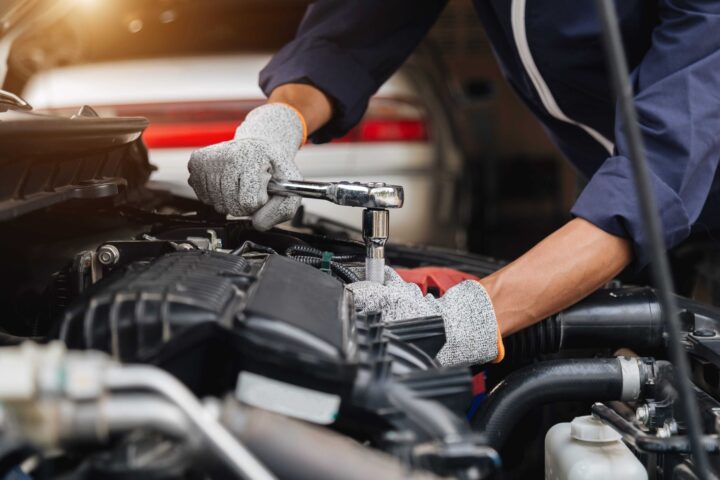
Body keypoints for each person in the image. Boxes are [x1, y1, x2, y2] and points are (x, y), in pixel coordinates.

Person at [188, 1, 720, 367]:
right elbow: (348, 35)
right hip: (624, 206)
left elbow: (661, 167)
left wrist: (469, 313)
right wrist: (277, 125)